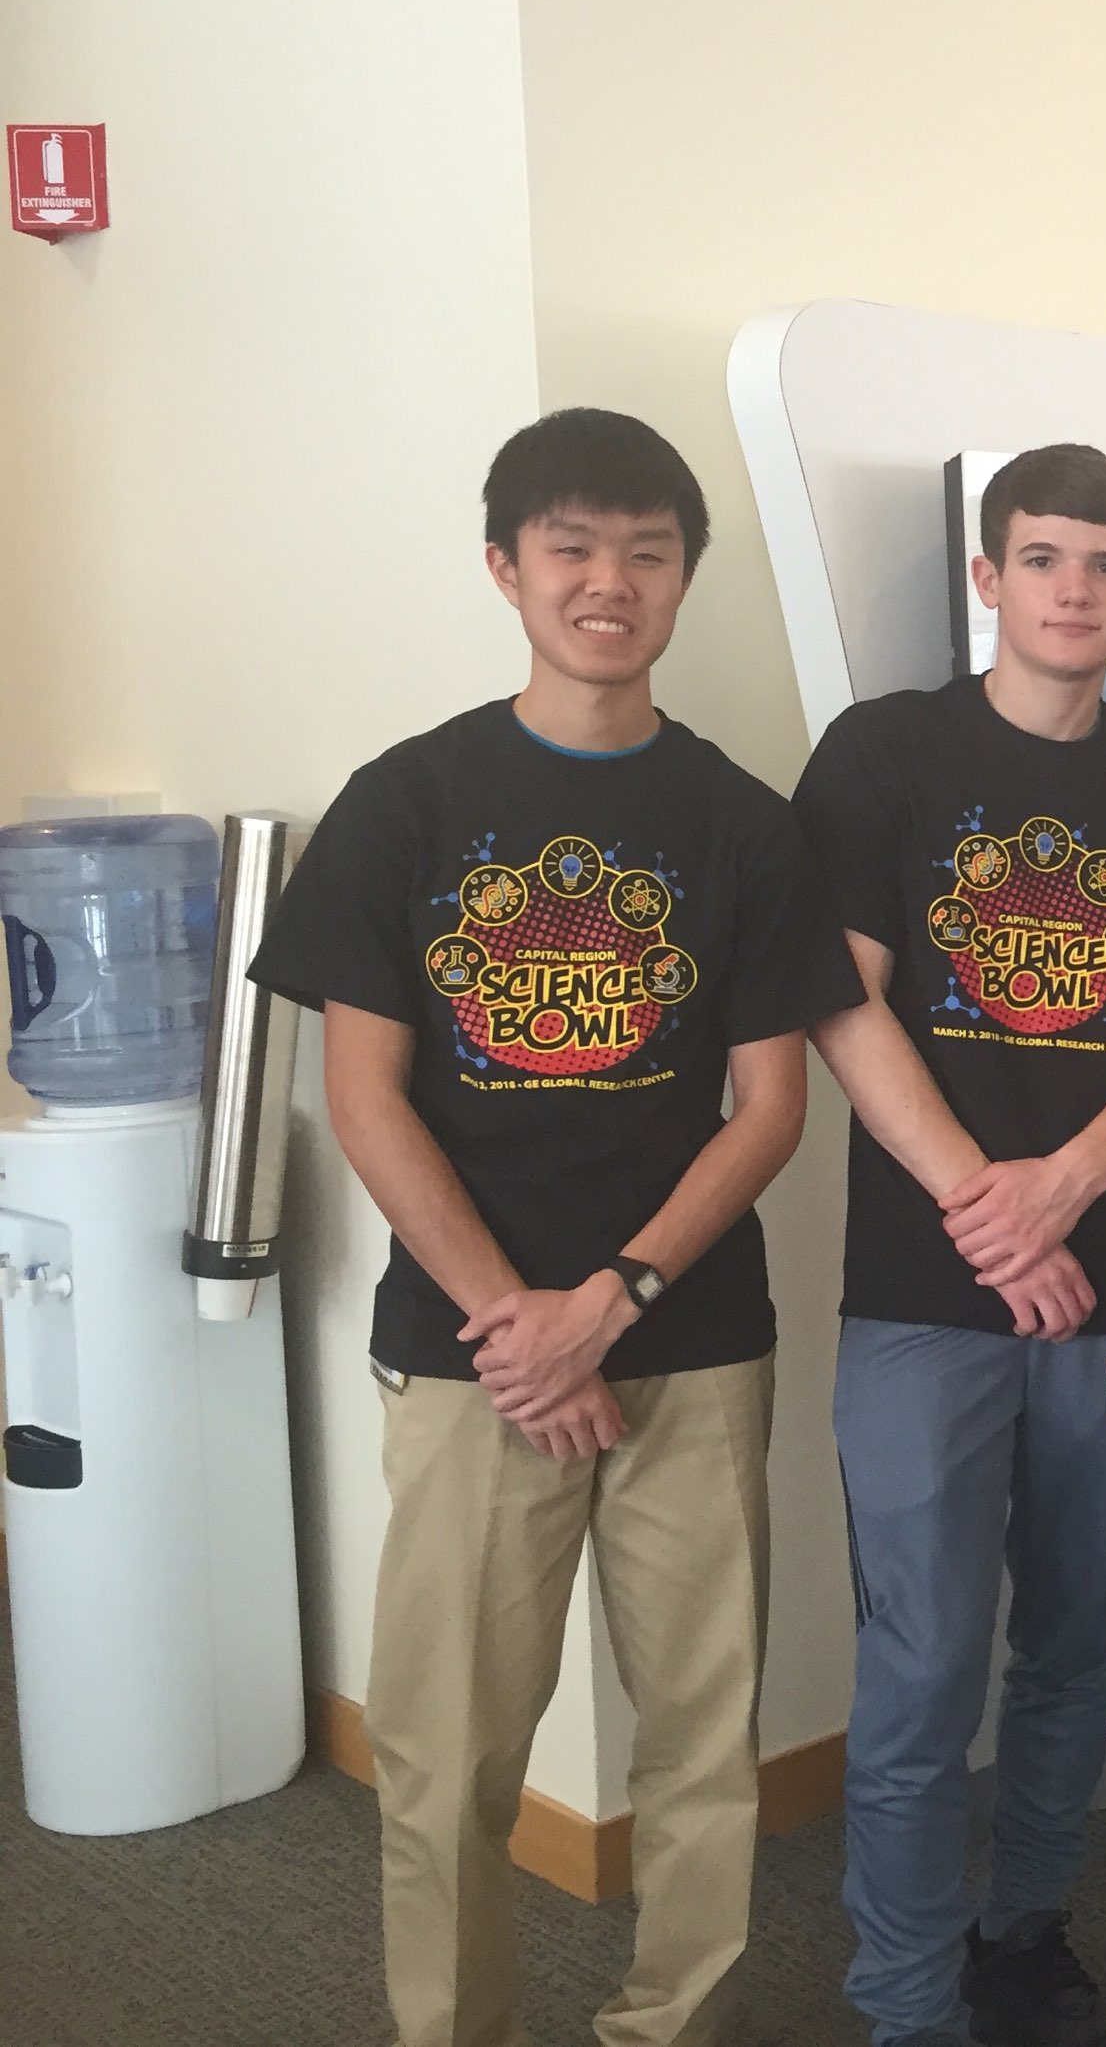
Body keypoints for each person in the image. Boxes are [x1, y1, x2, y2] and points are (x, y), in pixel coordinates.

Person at [250, 409, 863, 2047]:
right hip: (468, 1364)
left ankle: (674, 2028)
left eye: (647, 553)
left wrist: (613, 1299)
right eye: (574, 549)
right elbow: (365, 1100)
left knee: (700, 1753)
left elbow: (772, 1109)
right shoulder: (409, 802)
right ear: (507, 568)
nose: (610, 583)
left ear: (682, 582)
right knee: (446, 1762)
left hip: (695, 1347)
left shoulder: (742, 822)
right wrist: (524, 1328)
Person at [793, 443, 1106, 2047]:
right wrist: (993, 1211)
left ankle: (1027, 1931)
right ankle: (907, 2000)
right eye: (1043, 557)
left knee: (1076, 1642)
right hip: (925, 1300)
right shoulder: (880, 756)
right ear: (989, 577)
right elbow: (840, 1000)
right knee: (922, 1665)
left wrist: (1065, 1182)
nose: (1074, 588)